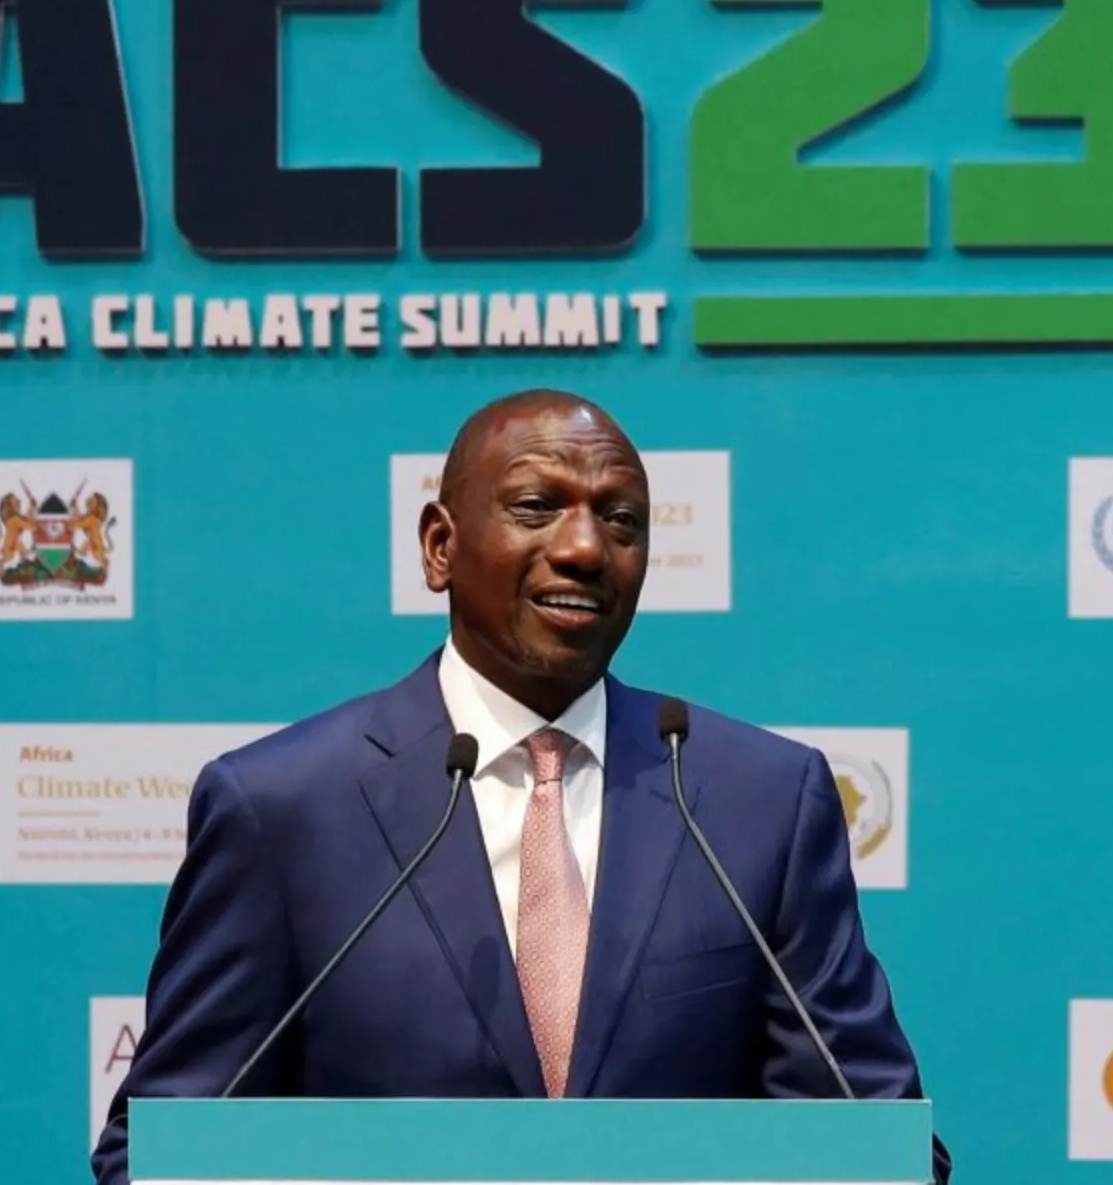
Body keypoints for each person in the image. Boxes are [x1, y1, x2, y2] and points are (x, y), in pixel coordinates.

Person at [91, 389, 949, 1184]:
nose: (583, 549)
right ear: (439, 546)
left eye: (621, 520)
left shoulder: (757, 799)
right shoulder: (284, 808)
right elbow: (161, 1150)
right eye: (538, 508)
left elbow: (876, 1142)